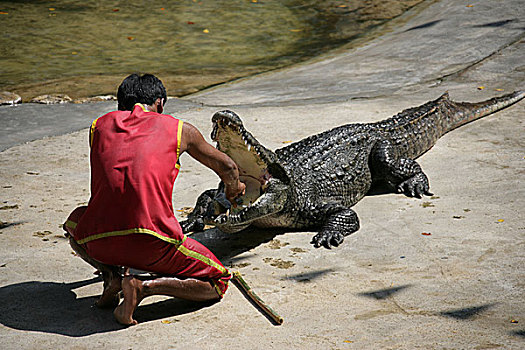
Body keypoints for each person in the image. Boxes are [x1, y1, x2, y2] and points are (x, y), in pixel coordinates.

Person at [63, 73, 245, 325]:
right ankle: (144, 287)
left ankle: (111, 275)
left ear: (121, 104)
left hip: (100, 241)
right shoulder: (181, 129)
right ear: (160, 103)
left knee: (72, 224)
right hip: (155, 243)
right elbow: (228, 168)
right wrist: (234, 189)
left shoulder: (98, 126)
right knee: (219, 281)